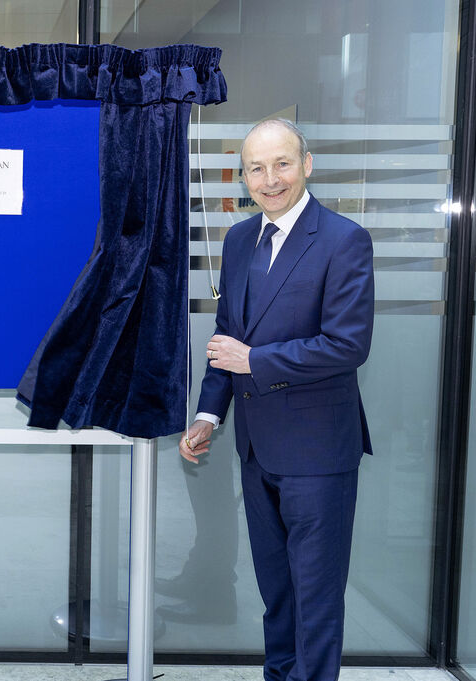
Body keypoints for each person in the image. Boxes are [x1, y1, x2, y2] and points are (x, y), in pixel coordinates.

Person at [178, 118, 374, 681]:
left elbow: (347, 344)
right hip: (256, 450)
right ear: (244, 177)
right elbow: (226, 338)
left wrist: (255, 362)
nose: (270, 180)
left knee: (315, 599)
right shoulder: (240, 240)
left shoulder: (343, 239)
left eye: (282, 164)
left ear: (307, 164)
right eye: (256, 169)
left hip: (317, 455)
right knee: (278, 594)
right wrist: (209, 415)